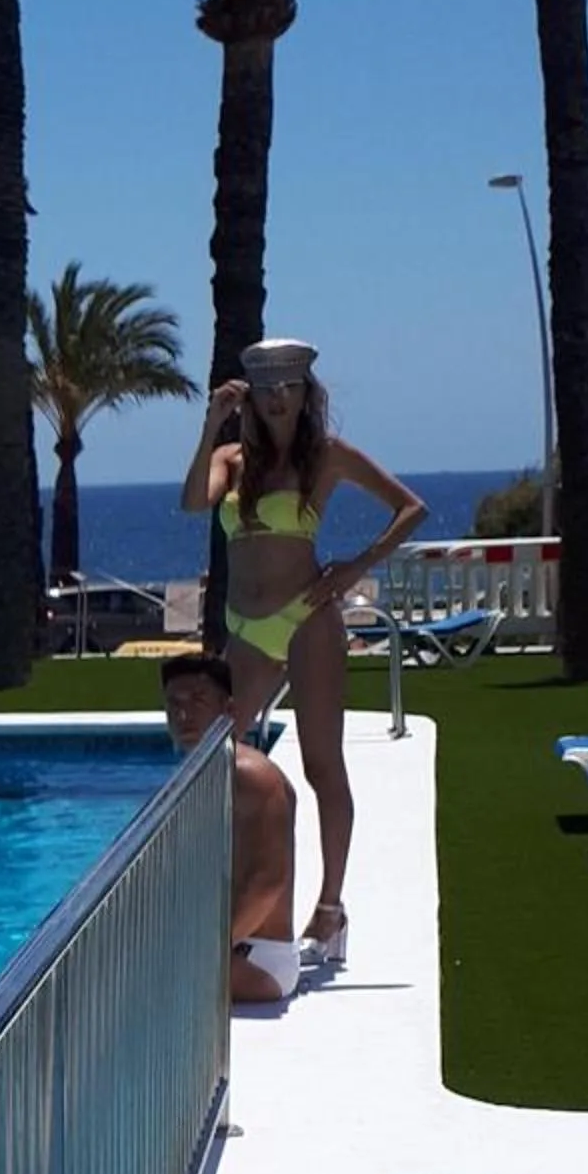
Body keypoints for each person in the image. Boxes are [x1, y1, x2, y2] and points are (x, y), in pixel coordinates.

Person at [180, 334, 423, 972]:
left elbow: (410, 508)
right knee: (215, 761)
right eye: (266, 388)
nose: (278, 397)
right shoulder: (232, 460)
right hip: (247, 624)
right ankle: (240, 896)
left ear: (305, 393)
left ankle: (331, 908)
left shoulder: (327, 457)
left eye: (289, 386)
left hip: (308, 618)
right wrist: (211, 424)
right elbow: (190, 502)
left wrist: (354, 568)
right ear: (251, 398)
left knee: (322, 764)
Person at [160, 648, 299, 1005]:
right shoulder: (202, 773)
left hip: (258, 956)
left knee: (130, 985)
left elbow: (269, 881)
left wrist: (209, 953)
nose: (183, 713)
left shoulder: (250, 775)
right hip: (231, 946)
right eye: (173, 703)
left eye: (198, 700)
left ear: (230, 711)